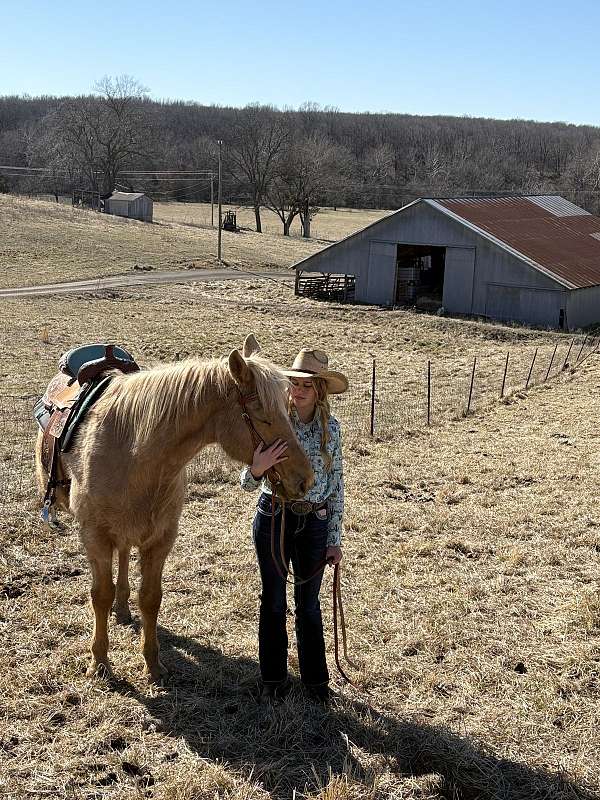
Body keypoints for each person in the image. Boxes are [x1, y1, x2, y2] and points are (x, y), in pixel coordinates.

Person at [240, 348, 349, 703]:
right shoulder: (274, 420)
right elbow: (246, 481)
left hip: (315, 522)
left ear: (319, 390)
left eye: (306, 385)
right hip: (274, 516)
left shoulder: (331, 430)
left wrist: (334, 539)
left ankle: (316, 683)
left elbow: (337, 487)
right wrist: (256, 470)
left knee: (309, 604)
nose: (298, 391)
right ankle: (272, 679)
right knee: (272, 600)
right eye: (294, 384)